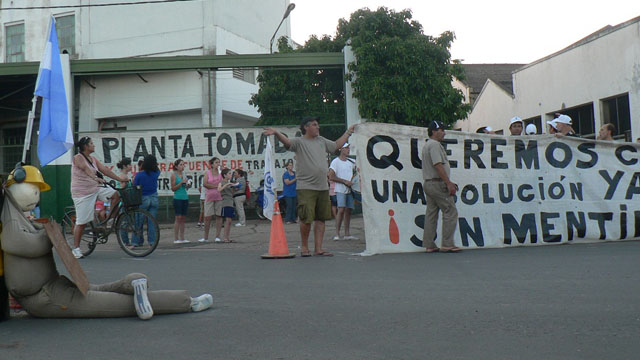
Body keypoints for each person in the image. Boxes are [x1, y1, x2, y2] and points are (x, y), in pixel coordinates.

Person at [1, 166, 213, 320]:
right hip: (47, 293)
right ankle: (135, 283)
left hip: (49, 294)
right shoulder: (11, 220)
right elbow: (25, 246)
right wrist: (48, 235)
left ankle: (186, 302)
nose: (36, 197)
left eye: (37, 192)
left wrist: (48, 234)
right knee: (104, 296)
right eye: (33, 190)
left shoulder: (16, 217)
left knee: (110, 302)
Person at [263, 117, 355, 257]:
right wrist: (276, 133)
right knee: (306, 218)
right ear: (306, 127)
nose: (318, 127)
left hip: (323, 186)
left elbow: (336, 145)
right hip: (306, 186)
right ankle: (304, 247)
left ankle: (319, 248)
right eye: (314, 125)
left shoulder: (321, 141)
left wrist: (349, 132)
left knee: (321, 218)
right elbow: (287, 142)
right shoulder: (299, 142)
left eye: (317, 124)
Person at [71, 137, 128, 259]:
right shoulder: (78, 158)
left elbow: (105, 170)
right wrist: (95, 177)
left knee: (116, 195)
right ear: (86, 146)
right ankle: (76, 248)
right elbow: (85, 169)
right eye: (91, 143)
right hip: (82, 193)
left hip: (96, 188)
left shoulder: (93, 159)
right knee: (81, 222)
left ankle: (108, 219)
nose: (94, 145)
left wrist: (120, 179)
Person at [421, 120, 461, 253]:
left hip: (429, 183)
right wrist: (448, 183)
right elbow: (438, 165)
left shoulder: (428, 145)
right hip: (437, 183)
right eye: (441, 130)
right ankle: (447, 243)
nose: (444, 133)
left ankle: (429, 244)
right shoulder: (434, 145)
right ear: (434, 131)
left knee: (431, 214)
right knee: (450, 210)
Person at [329, 143, 358, 241]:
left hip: (350, 189)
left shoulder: (352, 161)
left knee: (348, 210)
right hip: (340, 189)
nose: (348, 150)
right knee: (341, 210)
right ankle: (337, 234)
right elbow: (331, 176)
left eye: (348, 148)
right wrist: (344, 181)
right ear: (341, 150)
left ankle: (347, 234)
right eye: (346, 148)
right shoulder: (335, 162)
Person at [133, 155, 160, 247]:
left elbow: (135, 185)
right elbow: (157, 168)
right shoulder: (156, 173)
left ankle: (136, 242)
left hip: (143, 198)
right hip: (154, 197)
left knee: (138, 221)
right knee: (152, 221)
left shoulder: (140, 175)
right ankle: (152, 242)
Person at [200, 157, 223, 243]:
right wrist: (216, 186)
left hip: (219, 196)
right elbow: (205, 184)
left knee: (219, 216)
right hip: (209, 196)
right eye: (216, 162)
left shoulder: (221, 173)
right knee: (207, 217)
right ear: (212, 164)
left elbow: (224, 182)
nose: (218, 164)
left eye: (219, 162)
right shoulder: (208, 173)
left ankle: (218, 236)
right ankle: (205, 237)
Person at [171, 159, 190, 244]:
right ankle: (176, 238)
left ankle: (182, 237)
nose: (183, 166)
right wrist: (181, 183)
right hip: (177, 198)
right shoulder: (174, 175)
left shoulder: (184, 174)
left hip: (185, 197)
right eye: (181, 165)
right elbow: (173, 188)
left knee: (183, 218)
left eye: (183, 164)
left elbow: (185, 187)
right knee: (178, 218)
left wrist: (187, 185)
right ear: (176, 166)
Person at [218, 169, 239, 242]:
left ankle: (227, 237)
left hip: (230, 201)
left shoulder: (230, 183)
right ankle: (225, 237)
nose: (230, 175)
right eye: (229, 173)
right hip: (225, 202)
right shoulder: (222, 182)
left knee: (230, 220)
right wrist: (227, 185)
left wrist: (235, 188)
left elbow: (232, 192)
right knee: (227, 220)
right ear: (224, 175)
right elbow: (219, 189)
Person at [282, 160, 298, 224]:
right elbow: (287, 182)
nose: (291, 166)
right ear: (287, 166)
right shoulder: (286, 174)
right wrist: (295, 179)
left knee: (294, 206)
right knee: (289, 206)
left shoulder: (295, 173)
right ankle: (287, 219)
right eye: (289, 165)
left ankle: (293, 219)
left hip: (294, 192)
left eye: (291, 165)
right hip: (288, 192)